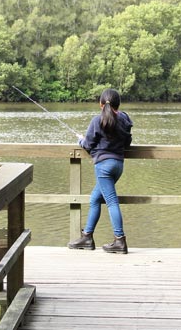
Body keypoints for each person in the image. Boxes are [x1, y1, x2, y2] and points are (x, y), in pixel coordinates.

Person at [67, 88, 133, 254]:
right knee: (95, 199)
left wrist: (80, 140)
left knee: (111, 201)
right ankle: (87, 237)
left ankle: (120, 240)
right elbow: (127, 143)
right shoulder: (124, 119)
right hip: (118, 165)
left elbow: (88, 145)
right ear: (118, 104)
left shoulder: (98, 120)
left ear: (100, 104)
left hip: (103, 167)